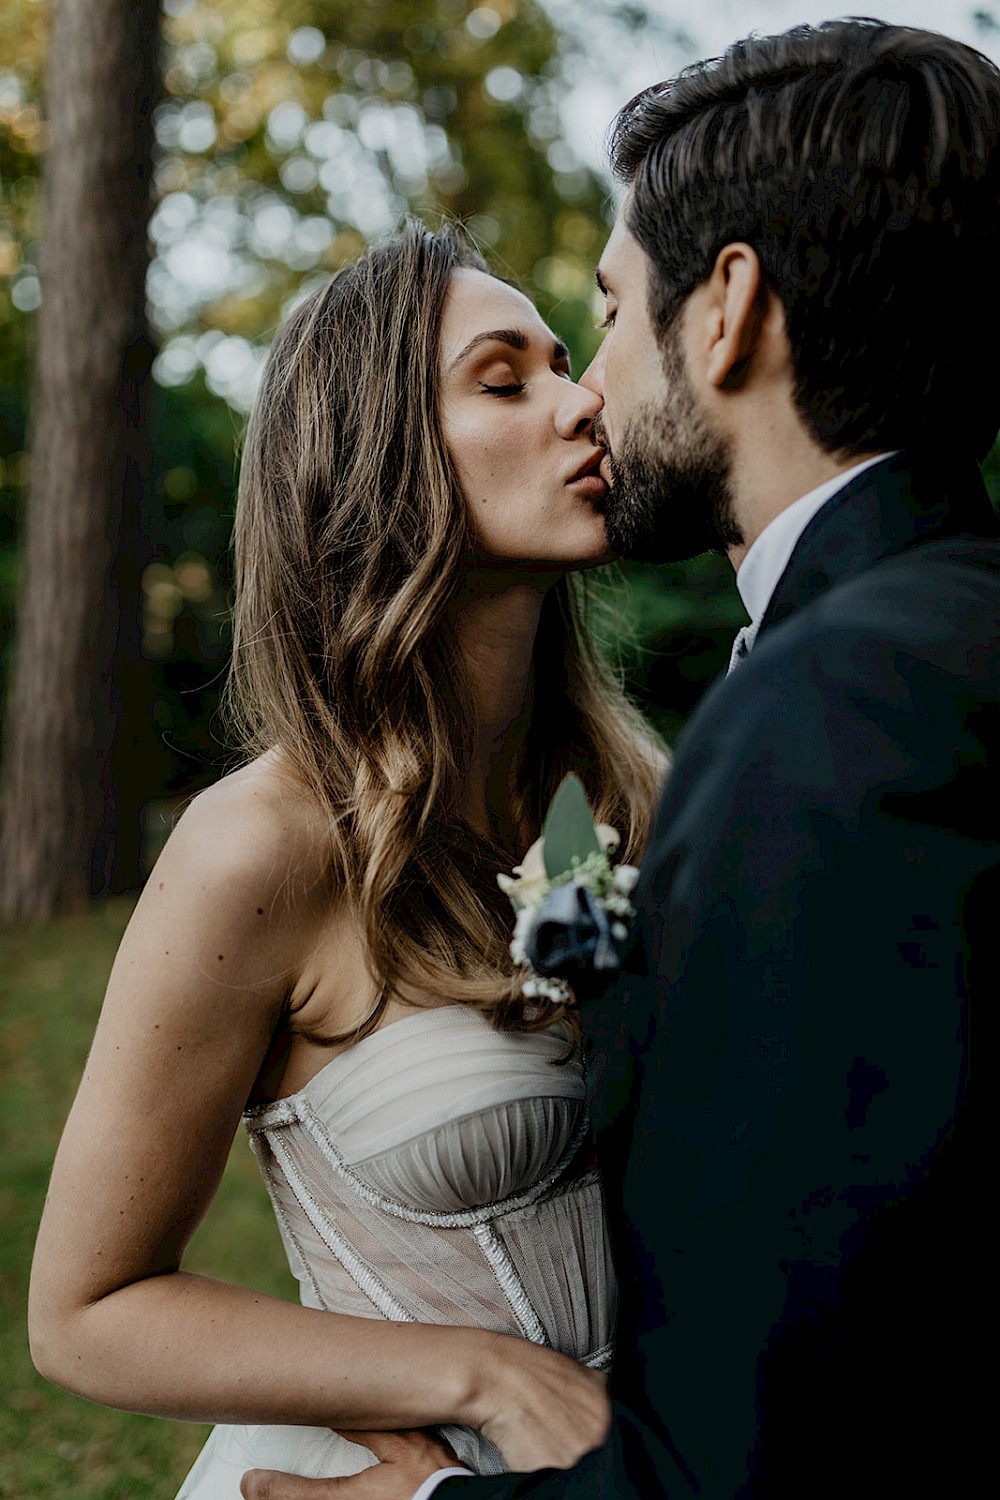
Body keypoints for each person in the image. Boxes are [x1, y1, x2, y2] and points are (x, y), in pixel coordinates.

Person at [244, 17, 1000, 1500]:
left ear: (726, 313)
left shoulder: (833, 713)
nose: (592, 389)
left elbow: (789, 1418)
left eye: (601, 313)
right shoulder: (899, 651)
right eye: (505, 374)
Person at [27, 221, 668, 1496]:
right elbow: (85, 1311)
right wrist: (479, 1376)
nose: (581, 397)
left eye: (564, 359)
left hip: (649, 1464)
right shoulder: (257, 848)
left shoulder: (628, 792)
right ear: (379, 462)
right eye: (505, 379)